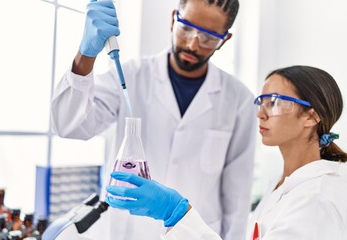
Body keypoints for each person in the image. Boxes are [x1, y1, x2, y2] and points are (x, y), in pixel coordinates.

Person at [51, 0, 256, 239]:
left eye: (209, 37)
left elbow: (237, 201)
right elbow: (68, 125)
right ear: (173, 19)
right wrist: (85, 55)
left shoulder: (239, 100)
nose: (193, 44)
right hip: (129, 232)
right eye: (186, 27)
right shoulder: (130, 75)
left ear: (225, 39)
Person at [106, 65, 347, 240]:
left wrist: (177, 214)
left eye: (274, 102)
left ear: (311, 116)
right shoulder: (285, 185)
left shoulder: (315, 200)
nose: (260, 114)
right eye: (261, 101)